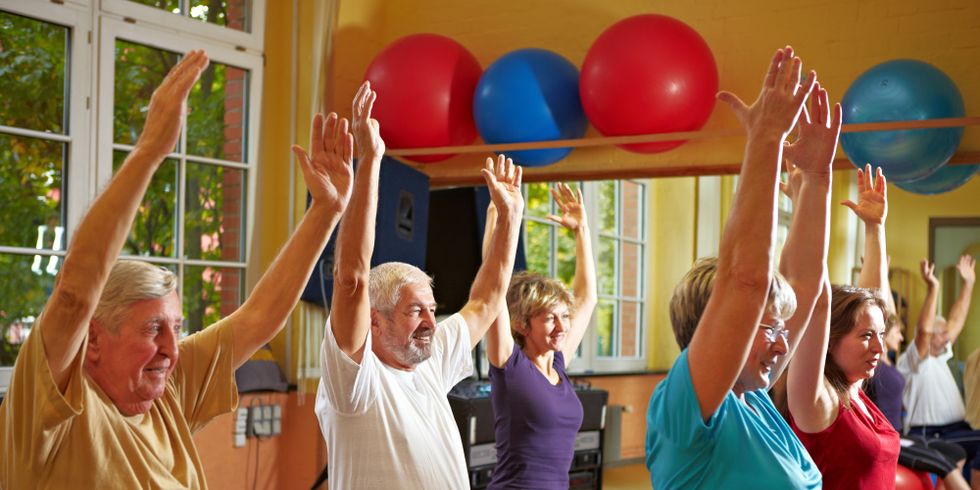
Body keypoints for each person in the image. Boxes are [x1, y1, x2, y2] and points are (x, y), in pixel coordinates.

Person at [0, 51, 356, 488]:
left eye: (177, 327)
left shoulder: (167, 386)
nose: (173, 348)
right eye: (153, 329)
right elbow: (75, 291)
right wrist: (150, 151)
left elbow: (259, 318)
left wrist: (325, 211)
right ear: (92, 339)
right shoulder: (50, 406)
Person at [313, 81, 526, 488]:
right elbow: (352, 279)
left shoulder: (431, 360)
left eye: (431, 308)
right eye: (415, 311)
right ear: (373, 322)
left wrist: (510, 216)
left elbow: (485, 300)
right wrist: (371, 161)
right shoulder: (355, 382)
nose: (431, 321)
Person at [645, 46, 823, 489]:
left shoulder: (754, 398)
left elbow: (804, 285)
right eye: (768, 327)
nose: (783, 344)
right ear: (718, 323)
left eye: (780, 329)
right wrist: (765, 139)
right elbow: (744, 281)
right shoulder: (684, 409)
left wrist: (818, 178)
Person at [845, 166, 969, 488]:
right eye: (868, 335)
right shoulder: (888, 363)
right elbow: (877, 307)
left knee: (952, 458)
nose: (884, 339)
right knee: (947, 465)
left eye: (884, 334)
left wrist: (875, 229)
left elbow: (878, 310)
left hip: (897, 438)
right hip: (905, 438)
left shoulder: (883, 358)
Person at [482, 182, 598, 489]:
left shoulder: (558, 363)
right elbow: (492, 286)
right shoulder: (510, 366)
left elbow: (587, 299)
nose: (561, 326)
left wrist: (582, 230)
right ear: (521, 324)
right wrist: (502, 220)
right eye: (549, 318)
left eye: (563, 317)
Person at [900, 254, 979, 480]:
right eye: (941, 332)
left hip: (956, 428)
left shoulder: (940, 355)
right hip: (930, 432)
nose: (948, 336)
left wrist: (969, 284)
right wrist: (933, 288)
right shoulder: (914, 359)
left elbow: (956, 321)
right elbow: (924, 332)